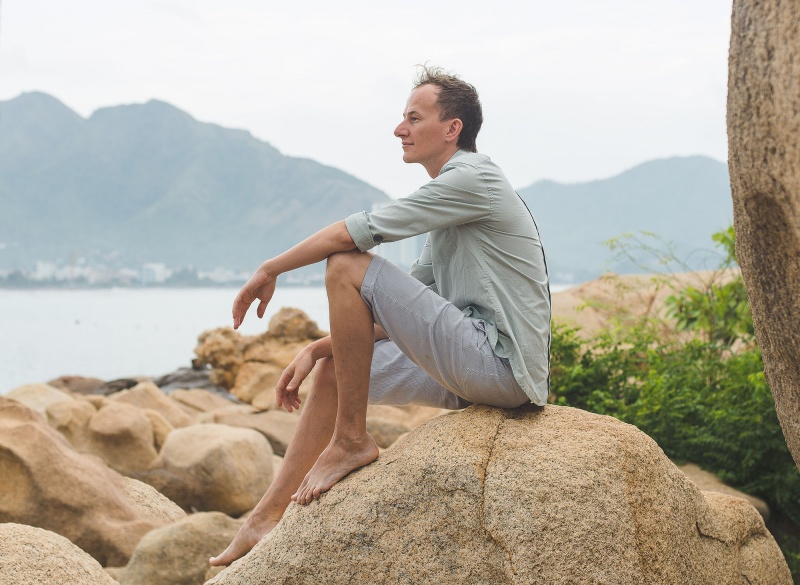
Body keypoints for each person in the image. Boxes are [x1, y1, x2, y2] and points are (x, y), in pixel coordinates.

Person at [209, 66, 551, 567]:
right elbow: (402, 310)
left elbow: (352, 236)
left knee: (345, 264)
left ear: (452, 128)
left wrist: (270, 268)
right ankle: (264, 518)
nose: (399, 129)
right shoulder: (449, 211)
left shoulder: (472, 179)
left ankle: (351, 440)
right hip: (475, 366)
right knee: (336, 369)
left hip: (500, 365)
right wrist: (316, 348)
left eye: (414, 118)